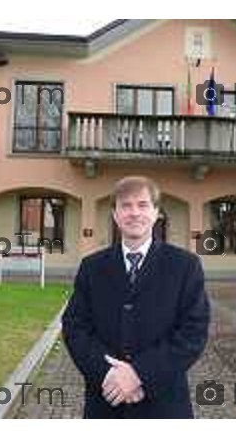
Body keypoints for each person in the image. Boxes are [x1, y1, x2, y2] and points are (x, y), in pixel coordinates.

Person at [62, 176, 210, 419]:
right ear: (115, 214)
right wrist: (108, 373)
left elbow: (193, 332)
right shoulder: (92, 267)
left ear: (156, 213)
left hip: (164, 405)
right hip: (106, 401)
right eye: (126, 205)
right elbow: (74, 327)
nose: (134, 213)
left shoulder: (185, 266)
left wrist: (140, 374)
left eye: (142, 205)